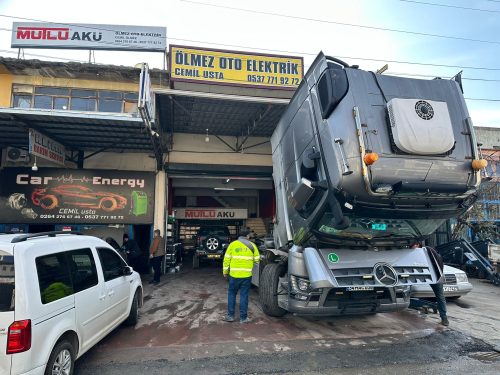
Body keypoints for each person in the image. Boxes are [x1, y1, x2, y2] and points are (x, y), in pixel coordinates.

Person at [222, 229, 260, 323]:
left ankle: (230, 316)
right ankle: (243, 318)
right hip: (246, 276)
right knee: (244, 296)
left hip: (234, 275)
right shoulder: (252, 246)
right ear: (247, 236)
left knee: (231, 295)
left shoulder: (232, 244)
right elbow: (257, 260)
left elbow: (226, 260)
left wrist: (225, 272)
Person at [411, 242, 449, 326]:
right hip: (423, 275)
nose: (412, 248)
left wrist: (439, 275)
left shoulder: (428, 250)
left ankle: (444, 318)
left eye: (412, 246)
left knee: (440, 296)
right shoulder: (414, 253)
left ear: (417, 244)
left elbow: (439, 260)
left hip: (434, 276)